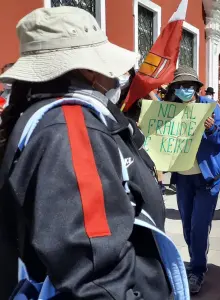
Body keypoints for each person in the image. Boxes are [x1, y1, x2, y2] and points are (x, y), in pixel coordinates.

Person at [0, 7, 188, 299]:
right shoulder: (72, 127)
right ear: (89, 70)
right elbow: (94, 270)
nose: (115, 76)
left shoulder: (46, 116)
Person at [166, 66, 220, 294]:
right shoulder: (169, 110)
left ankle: (197, 270)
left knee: (199, 226)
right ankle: (197, 256)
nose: (185, 89)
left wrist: (212, 130)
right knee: (187, 226)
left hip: (207, 178)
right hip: (183, 179)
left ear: (197, 88)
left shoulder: (211, 107)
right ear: (175, 88)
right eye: (180, 85)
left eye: (189, 85)